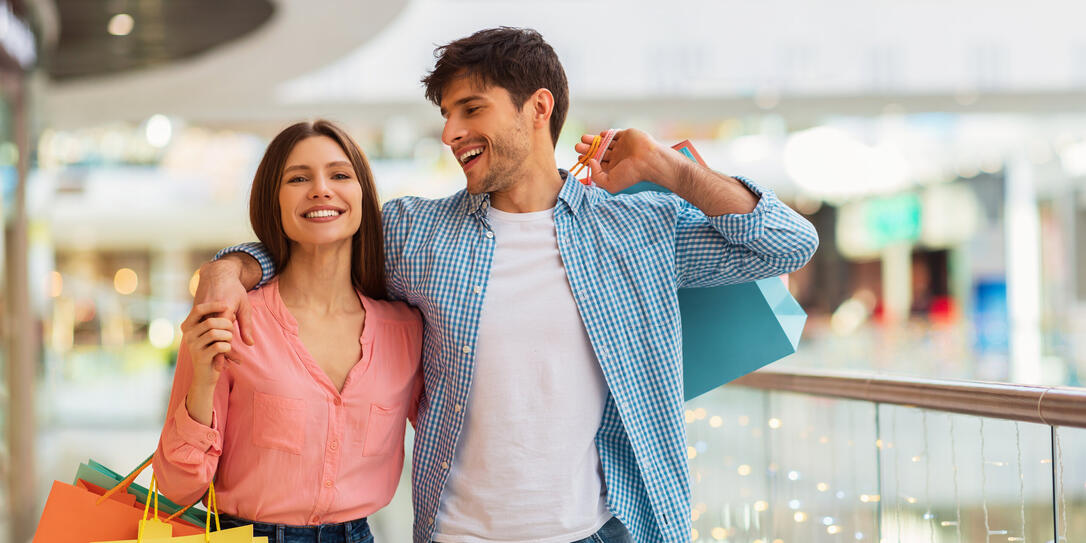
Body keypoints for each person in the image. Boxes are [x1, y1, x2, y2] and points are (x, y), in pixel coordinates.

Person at [196, 27, 818, 543]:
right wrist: (233, 267)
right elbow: (318, 245)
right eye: (446, 115)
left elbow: (788, 243)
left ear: (538, 108)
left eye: (472, 109)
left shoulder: (635, 228)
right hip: (459, 533)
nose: (450, 133)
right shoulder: (419, 233)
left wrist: (666, 167)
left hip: (604, 528)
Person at [153, 120, 423, 543]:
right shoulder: (232, 316)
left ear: (363, 197)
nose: (321, 189)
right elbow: (176, 487)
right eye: (298, 178)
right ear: (273, 201)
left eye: (339, 175)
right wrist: (203, 382)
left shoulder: (405, 330)